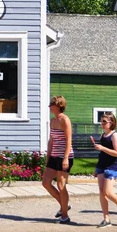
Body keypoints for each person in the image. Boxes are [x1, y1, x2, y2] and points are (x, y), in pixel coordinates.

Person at [90, 113, 117, 228]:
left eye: (104, 121)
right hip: (101, 166)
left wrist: (102, 147)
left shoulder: (114, 136)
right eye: (101, 121)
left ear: (111, 122)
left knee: (107, 192)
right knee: (102, 194)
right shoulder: (103, 135)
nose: (102, 124)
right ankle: (106, 219)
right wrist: (96, 168)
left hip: (112, 167)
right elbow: (102, 154)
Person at [42, 95, 73, 224]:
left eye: (51, 104)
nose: (49, 106)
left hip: (64, 156)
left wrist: (65, 158)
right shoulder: (53, 121)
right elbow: (51, 140)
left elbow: (68, 139)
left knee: (61, 185)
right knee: (46, 182)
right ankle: (64, 204)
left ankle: (65, 216)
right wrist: (48, 157)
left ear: (58, 106)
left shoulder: (64, 120)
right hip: (54, 155)